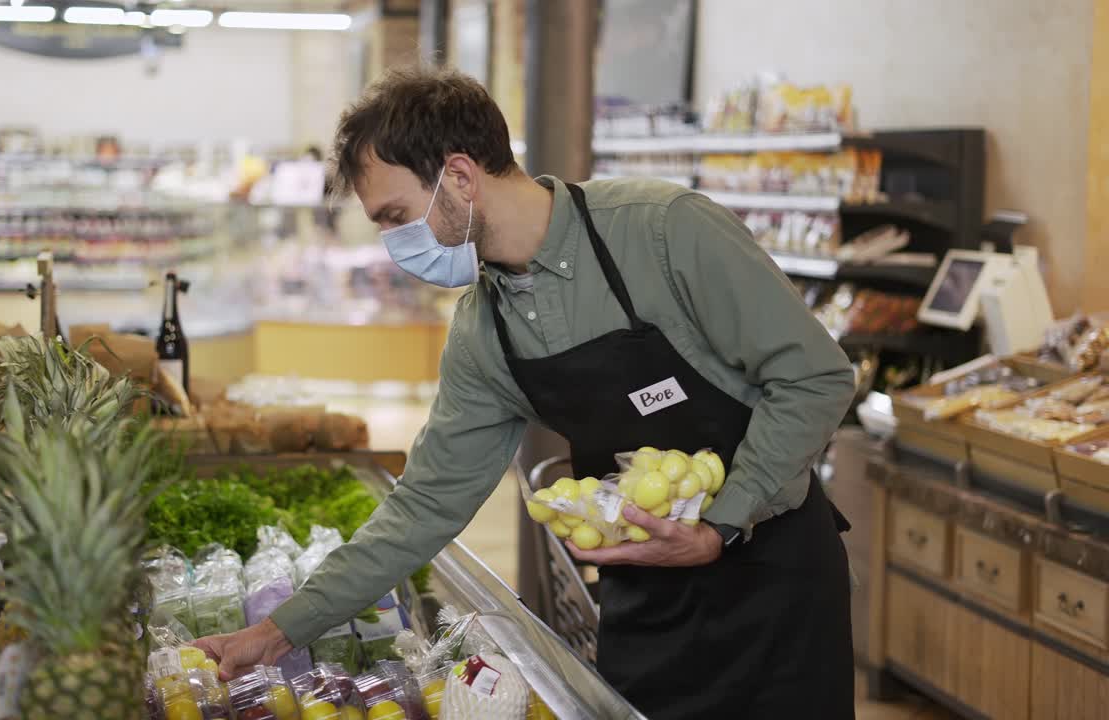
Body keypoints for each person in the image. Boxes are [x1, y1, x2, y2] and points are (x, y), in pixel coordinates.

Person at [195, 66, 856, 719]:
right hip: (646, 601)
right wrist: (276, 632)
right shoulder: (485, 331)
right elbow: (424, 504)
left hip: (774, 585)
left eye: (396, 217)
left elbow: (815, 377)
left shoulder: (662, 232)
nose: (396, 245)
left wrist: (720, 524)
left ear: (459, 176)